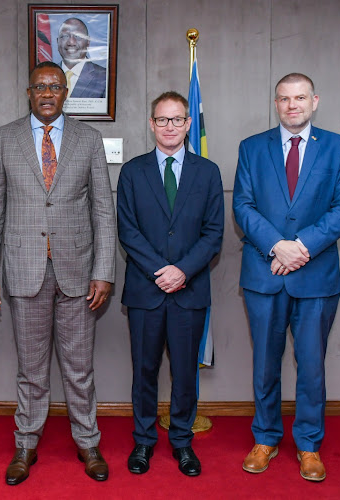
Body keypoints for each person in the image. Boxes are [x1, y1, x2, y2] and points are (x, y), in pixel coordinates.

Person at [0, 61, 116, 485]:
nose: (48, 93)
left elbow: (103, 212)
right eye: (41, 86)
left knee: (79, 366)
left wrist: (104, 270)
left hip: (78, 272)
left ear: (65, 92)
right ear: (29, 92)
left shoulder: (89, 140)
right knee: (31, 367)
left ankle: (87, 441)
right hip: (23, 269)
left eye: (56, 86)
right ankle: (25, 443)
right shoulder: (4, 139)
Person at [233, 73, 340, 482]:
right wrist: (276, 245)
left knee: (312, 366)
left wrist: (299, 246)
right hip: (264, 273)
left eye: (300, 97)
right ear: (275, 103)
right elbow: (243, 206)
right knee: (265, 365)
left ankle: (308, 446)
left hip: (316, 276)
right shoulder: (252, 148)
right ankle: (265, 438)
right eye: (284, 99)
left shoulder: (339, 148)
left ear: (314, 101)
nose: (292, 105)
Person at [116, 91, 224, 477]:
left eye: (177, 119)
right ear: (151, 124)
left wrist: (183, 271)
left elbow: (214, 234)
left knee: (184, 372)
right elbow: (127, 231)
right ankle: (143, 441)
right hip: (146, 291)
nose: (170, 127)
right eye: (162, 120)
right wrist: (162, 270)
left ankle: (181, 441)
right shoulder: (132, 171)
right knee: (143, 371)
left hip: (190, 290)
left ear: (188, 124)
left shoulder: (208, 172)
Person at [56, 18, 107, 98]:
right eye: (65, 36)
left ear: (88, 42)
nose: (71, 42)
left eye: (78, 36)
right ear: (57, 41)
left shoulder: (104, 77)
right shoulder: (46, 75)